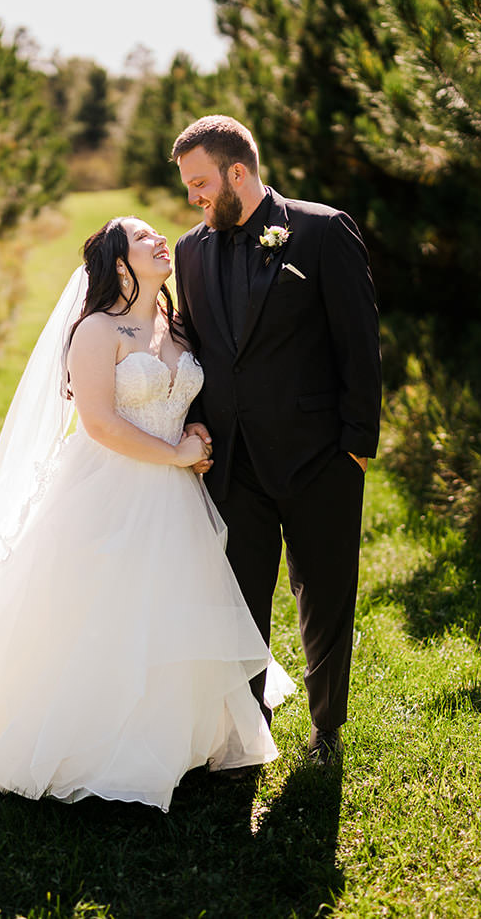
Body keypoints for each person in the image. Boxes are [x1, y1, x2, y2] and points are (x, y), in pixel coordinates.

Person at [0, 217, 292, 811]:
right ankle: (92, 738)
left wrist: (195, 425)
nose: (163, 240)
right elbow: (102, 425)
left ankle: (180, 735)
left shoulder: (176, 324)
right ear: (118, 263)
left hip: (175, 498)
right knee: (97, 615)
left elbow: (185, 392)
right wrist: (178, 453)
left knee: (167, 611)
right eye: (144, 238)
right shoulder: (97, 332)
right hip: (108, 491)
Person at [171, 115, 381, 765]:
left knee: (324, 595)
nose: (193, 198)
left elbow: (359, 343)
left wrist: (357, 444)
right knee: (239, 601)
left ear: (239, 172)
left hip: (321, 455)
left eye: (201, 182)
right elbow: (198, 349)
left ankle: (327, 729)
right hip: (232, 462)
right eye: (186, 186)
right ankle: (247, 727)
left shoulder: (321, 231)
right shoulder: (190, 252)